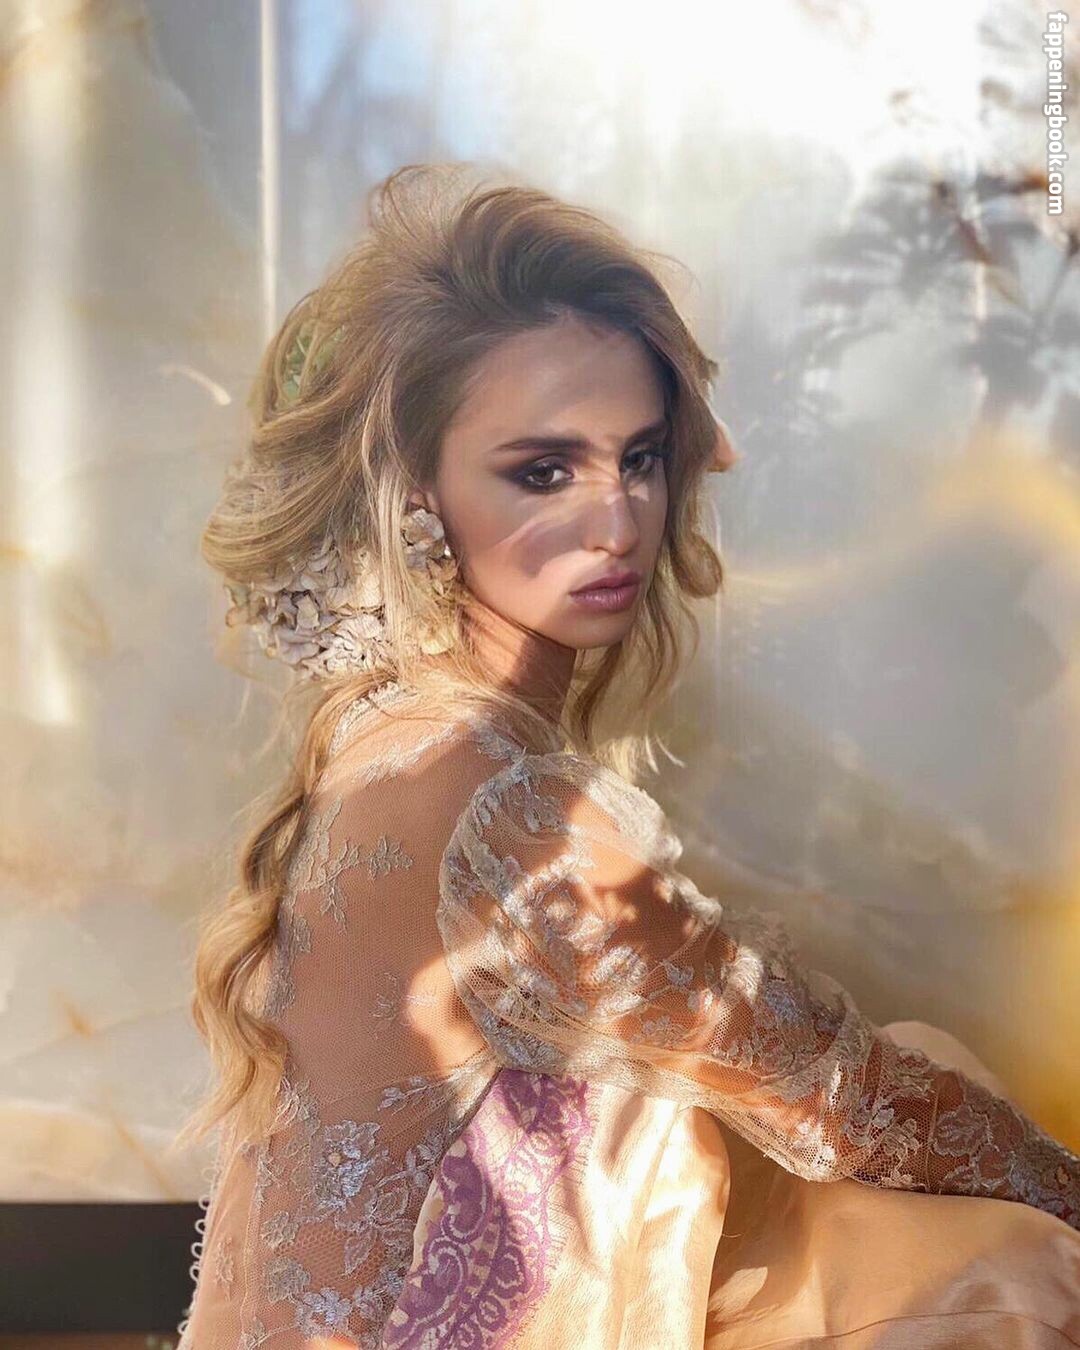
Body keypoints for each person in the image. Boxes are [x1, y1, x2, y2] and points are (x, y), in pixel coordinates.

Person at [172, 163, 1080, 1349]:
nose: (617, 523)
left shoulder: (392, 728)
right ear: (416, 491)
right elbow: (839, 1095)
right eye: (543, 471)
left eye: (640, 458)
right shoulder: (501, 804)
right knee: (1009, 1263)